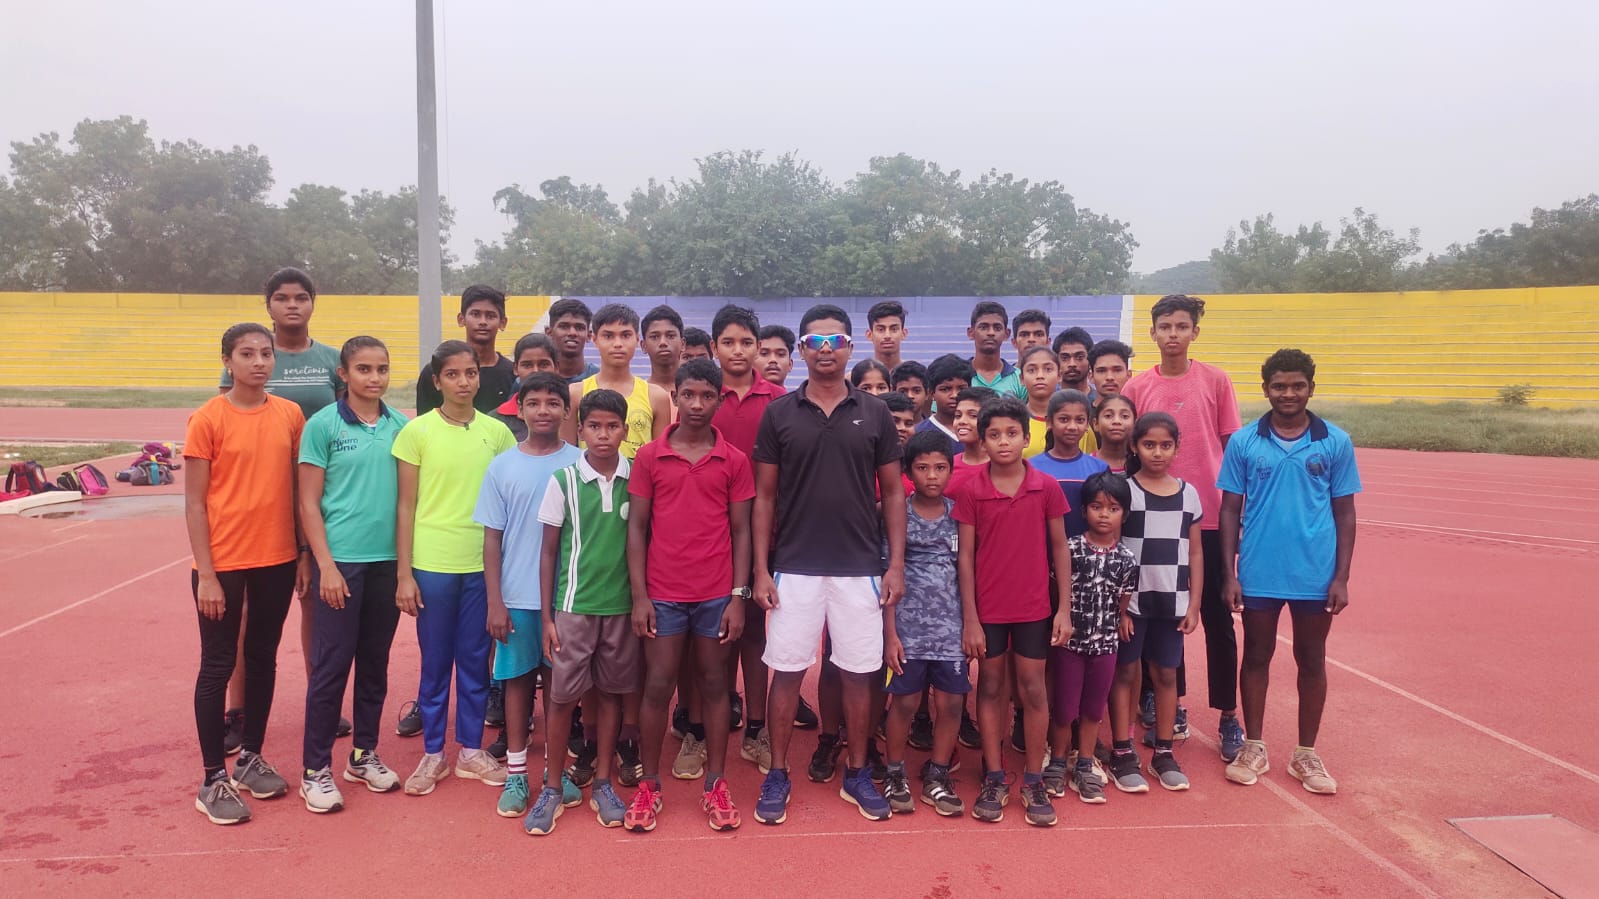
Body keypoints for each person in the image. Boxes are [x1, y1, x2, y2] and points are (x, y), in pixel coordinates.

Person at [751, 304, 906, 826]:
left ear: (849, 348)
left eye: (834, 341)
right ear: (801, 350)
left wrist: (895, 565)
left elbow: (892, 493)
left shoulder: (875, 412)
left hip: (860, 566)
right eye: (814, 342)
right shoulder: (779, 413)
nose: (824, 351)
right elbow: (764, 498)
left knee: (860, 673)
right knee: (787, 671)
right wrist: (760, 569)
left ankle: (857, 772)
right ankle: (777, 773)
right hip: (794, 566)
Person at [1219, 349, 1360, 796]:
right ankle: (1254, 746)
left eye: (1298, 385)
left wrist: (1341, 577)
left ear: (1311, 388)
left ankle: (1306, 753)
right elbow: (1229, 510)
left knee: (1311, 658)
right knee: (1256, 655)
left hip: (1314, 572)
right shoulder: (1244, 442)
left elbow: (1345, 511)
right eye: (1279, 386)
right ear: (1265, 390)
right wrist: (1230, 573)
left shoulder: (1335, 441)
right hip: (1259, 568)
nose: (1288, 393)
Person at [624, 359, 754, 833]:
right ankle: (649, 784)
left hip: (716, 594)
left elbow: (742, 532)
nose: (697, 404)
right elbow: (637, 529)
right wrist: (640, 596)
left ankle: (716, 782)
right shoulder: (649, 457)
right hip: (663, 594)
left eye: (707, 396)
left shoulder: (734, 460)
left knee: (715, 684)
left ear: (719, 399)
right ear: (674, 397)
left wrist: (738, 597)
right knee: (658, 685)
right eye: (689, 395)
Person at [217, 268, 343, 755]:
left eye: (301, 297)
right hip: (259, 496)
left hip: (318, 495)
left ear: (313, 303)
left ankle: (321, 699)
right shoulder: (251, 354)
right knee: (245, 612)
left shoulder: (331, 360)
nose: (292, 305)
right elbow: (230, 418)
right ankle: (239, 708)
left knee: (316, 602)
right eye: (282, 298)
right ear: (268, 304)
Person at [187, 322, 308, 825]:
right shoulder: (208, 418)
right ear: (227, 361)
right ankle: (212, 777)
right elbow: (195, 503)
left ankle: (251, 757)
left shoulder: (290, 414)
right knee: (218, 664)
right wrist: (207, 574)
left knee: (262, 658)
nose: (259, 362)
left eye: (266, 353)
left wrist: (302, 552)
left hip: (276, 557)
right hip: (223, 563)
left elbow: (298, 490)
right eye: (246, 354)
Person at [1121, 295, 1243, 760]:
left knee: (1216, 617)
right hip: (1151, 518)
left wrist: (1237, 511)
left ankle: (1229, 713)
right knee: (1161, 614)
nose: (1173, 334)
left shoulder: (1216, 380)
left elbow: (1231, 446)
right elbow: (1128, 444)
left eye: (1182, 326)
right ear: (1152, 333)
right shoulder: (1137, 386)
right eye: (1165, 326)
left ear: (1195, 332)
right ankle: (1173, 704)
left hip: (1206, 516)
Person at [393, 340, 516, 796]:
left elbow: (506, 502)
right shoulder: (417, 433)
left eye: (470, 373)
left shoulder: (497, 434)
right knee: (435, 660)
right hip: (433, 563)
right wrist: (404, 574)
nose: (463, 382)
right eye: (453, 374)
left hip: (482, 565)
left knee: (475, 659)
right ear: (437, 380)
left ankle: (470, 750)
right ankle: (432, 753)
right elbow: (405, 506)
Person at [297, 336, 409, 813]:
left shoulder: (401, 426)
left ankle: (363, 755)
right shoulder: (322, 426)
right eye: (364, 369)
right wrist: (324, 564)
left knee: (375, 663)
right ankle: (314, 769)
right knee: (332, 666)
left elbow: (408, 501)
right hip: (340, 563)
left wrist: (404, 568)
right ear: (343, 374)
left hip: (386, 562)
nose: (374, 377)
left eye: (382, 369)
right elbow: (308, 502)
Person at [951, 396, 1071, 827]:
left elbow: (1060, 549)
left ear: (1026, 437)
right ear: (982, 441)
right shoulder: (971, 491)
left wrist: (1064, 609)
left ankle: (1034, 779)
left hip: (1035, 609)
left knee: (1033, 689)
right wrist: (970, 618)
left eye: (1012, 433)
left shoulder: (1046, 487)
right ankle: (994, 775)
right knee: (990, 687)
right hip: (988, 611)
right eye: (994, 435)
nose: (1003, 441)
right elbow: (965, 558)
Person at [525, 389, 639, 834]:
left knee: (610, 694)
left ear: (625, 430)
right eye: (594, 426)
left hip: (622, 609)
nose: (603, 435)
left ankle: (604, 783)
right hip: (573, 608)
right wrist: (547, 618)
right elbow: (547, 553)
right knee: (561, 698)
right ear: (580, 430)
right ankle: (552, 787)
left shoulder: (637, 477)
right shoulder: (564, 481)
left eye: (612, 426)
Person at [475, 372, 583, 819]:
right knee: (517, 683)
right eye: (533, 402)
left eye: (552, 403)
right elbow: (492, 539)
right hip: (517, 598)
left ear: (566, 410)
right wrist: (495, 601)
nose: (543, 410)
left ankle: (556, 773)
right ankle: (517, 773)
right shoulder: (502, 466)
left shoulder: (580, 462)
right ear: (519, 410)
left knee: (561, 689)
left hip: (568, 600)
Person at [1106, 412, 1204, 794]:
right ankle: (1122, 750)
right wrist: (1118, 608)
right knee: (1125, 674)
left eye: (1166, 445)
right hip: (1132, 604)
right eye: (1149, 444)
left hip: (1172, 601)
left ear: (1177, 448)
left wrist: (1194, 604)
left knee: (1166, 675)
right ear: (1134, 446)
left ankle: (1164, 751)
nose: (1157, 452)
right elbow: (1113, 547)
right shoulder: (1125, 491)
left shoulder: (1189, 493)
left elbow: (1195, 552)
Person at [881, 429, 969, 818]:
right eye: (922, 468)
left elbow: (966, 570)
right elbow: (888, 574)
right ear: (908, 472)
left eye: (940, 467)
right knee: (904, 702)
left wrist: (971, 625)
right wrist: (890, 634)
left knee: (951, 703)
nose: (932, 476)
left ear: (951, 469)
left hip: (951, 630)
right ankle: (895, 773)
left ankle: (938, 774)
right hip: (907, 630)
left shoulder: (959, 514)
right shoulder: (897, 513)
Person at [1049, 471, 1139, 805]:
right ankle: (1057, 762)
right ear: (1084, 510)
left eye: (1113, 508)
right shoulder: (1070, 549)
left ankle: (1085, 764)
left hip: (1105, 646)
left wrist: (1124, 617)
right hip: (1070, 644)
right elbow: (1056, 588)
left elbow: (1123, 599)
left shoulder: (1126, 559)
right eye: (1096, 507)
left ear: (1124, 515)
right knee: (1064, 709)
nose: (1104, 514)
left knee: (1092, 709)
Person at [565, 304, 672, 460]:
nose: (618, 344)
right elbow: (567, 456)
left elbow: (659, 459)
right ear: (595, 339)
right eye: (608, 336)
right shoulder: (575, 394)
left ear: (637, 339)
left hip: (638, 476)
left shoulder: (656, 397)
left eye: (625, 335)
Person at [415, 285, 516, 417]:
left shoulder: (513, 374)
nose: (483, 322)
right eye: (475, 314)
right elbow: (424, 423)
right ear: (461, 319)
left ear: (503, 322)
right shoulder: (434, 372)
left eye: (490, 316)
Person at [1031, 390, 1110, 538]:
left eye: (1080, 420)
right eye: (1064, 419)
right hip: (1042, 547)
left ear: (1087, 425)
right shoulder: (1031, 467)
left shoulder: (1099, 468)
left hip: (1086, 549)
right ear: (1049, 423)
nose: (1072, 426)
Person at [493, 332, 559, 441]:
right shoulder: (496, 420)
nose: (535, 371)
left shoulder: (571, 415)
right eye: (527, 365)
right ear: (515, 369)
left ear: (556, 367)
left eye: (543, 364)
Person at [1081, 339, 1133, 456]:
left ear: (1129, 375)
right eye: (1102, 371)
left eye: (1117, 370)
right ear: (1091, 376)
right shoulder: (1081, 417)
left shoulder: (1138, 415)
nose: (1109, 377)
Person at [914, 354, 972, 456]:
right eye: (945, 389)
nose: (954, 395)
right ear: (931, 393)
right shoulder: (918, 432)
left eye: (961, 388)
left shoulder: (980, 430)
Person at [966, 301, 1026, 400]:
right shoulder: (959, 376)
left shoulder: (1020, 378)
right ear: (971, 333)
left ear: (1006, 334)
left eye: (997, 328)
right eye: (983, 327)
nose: (991, 333)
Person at [949, 386, 996, 490]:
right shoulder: (948, 467)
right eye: (958, 416)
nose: (962, 421)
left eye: (973, 416)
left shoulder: (1004, 466)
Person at [1018, 345, 1061, 459]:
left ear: (1059, 376)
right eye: (1032, 370)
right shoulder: (1013, 422)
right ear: (1022, 378)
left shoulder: (1075, 422)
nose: (1040, 376)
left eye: (1048, 369)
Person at [545, 298, 600, 384]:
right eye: (564, 327)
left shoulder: (600, 379)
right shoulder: (535, 378)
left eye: (579, 328)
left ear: (589, 335)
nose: (572, 333)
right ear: (549, 333)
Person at [641, 305, 686, 399]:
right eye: (654, 337)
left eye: (670, 336)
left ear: (682, 344)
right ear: (644, 346)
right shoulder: (638, 393)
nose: (663, 343)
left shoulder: (697, 392)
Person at [1093, 394, 1137, 474]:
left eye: (1125, 416)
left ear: (1134, 424)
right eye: (1108, 416)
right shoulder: (1084, 465)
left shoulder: (1143, 467)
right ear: (1096, 424)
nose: (1116, 421)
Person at [867, 300, 908, 370]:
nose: (887, 336)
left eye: (894, 329)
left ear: (904, 333)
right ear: (869, 335)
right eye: (880, 330)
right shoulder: (856, 376)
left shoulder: (916, 375)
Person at [1053, 327, 1095, 396]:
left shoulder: (1101, 401)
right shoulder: (1046, 400)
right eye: (1065, 358)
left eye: (1079, 357)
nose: (1072, 364)